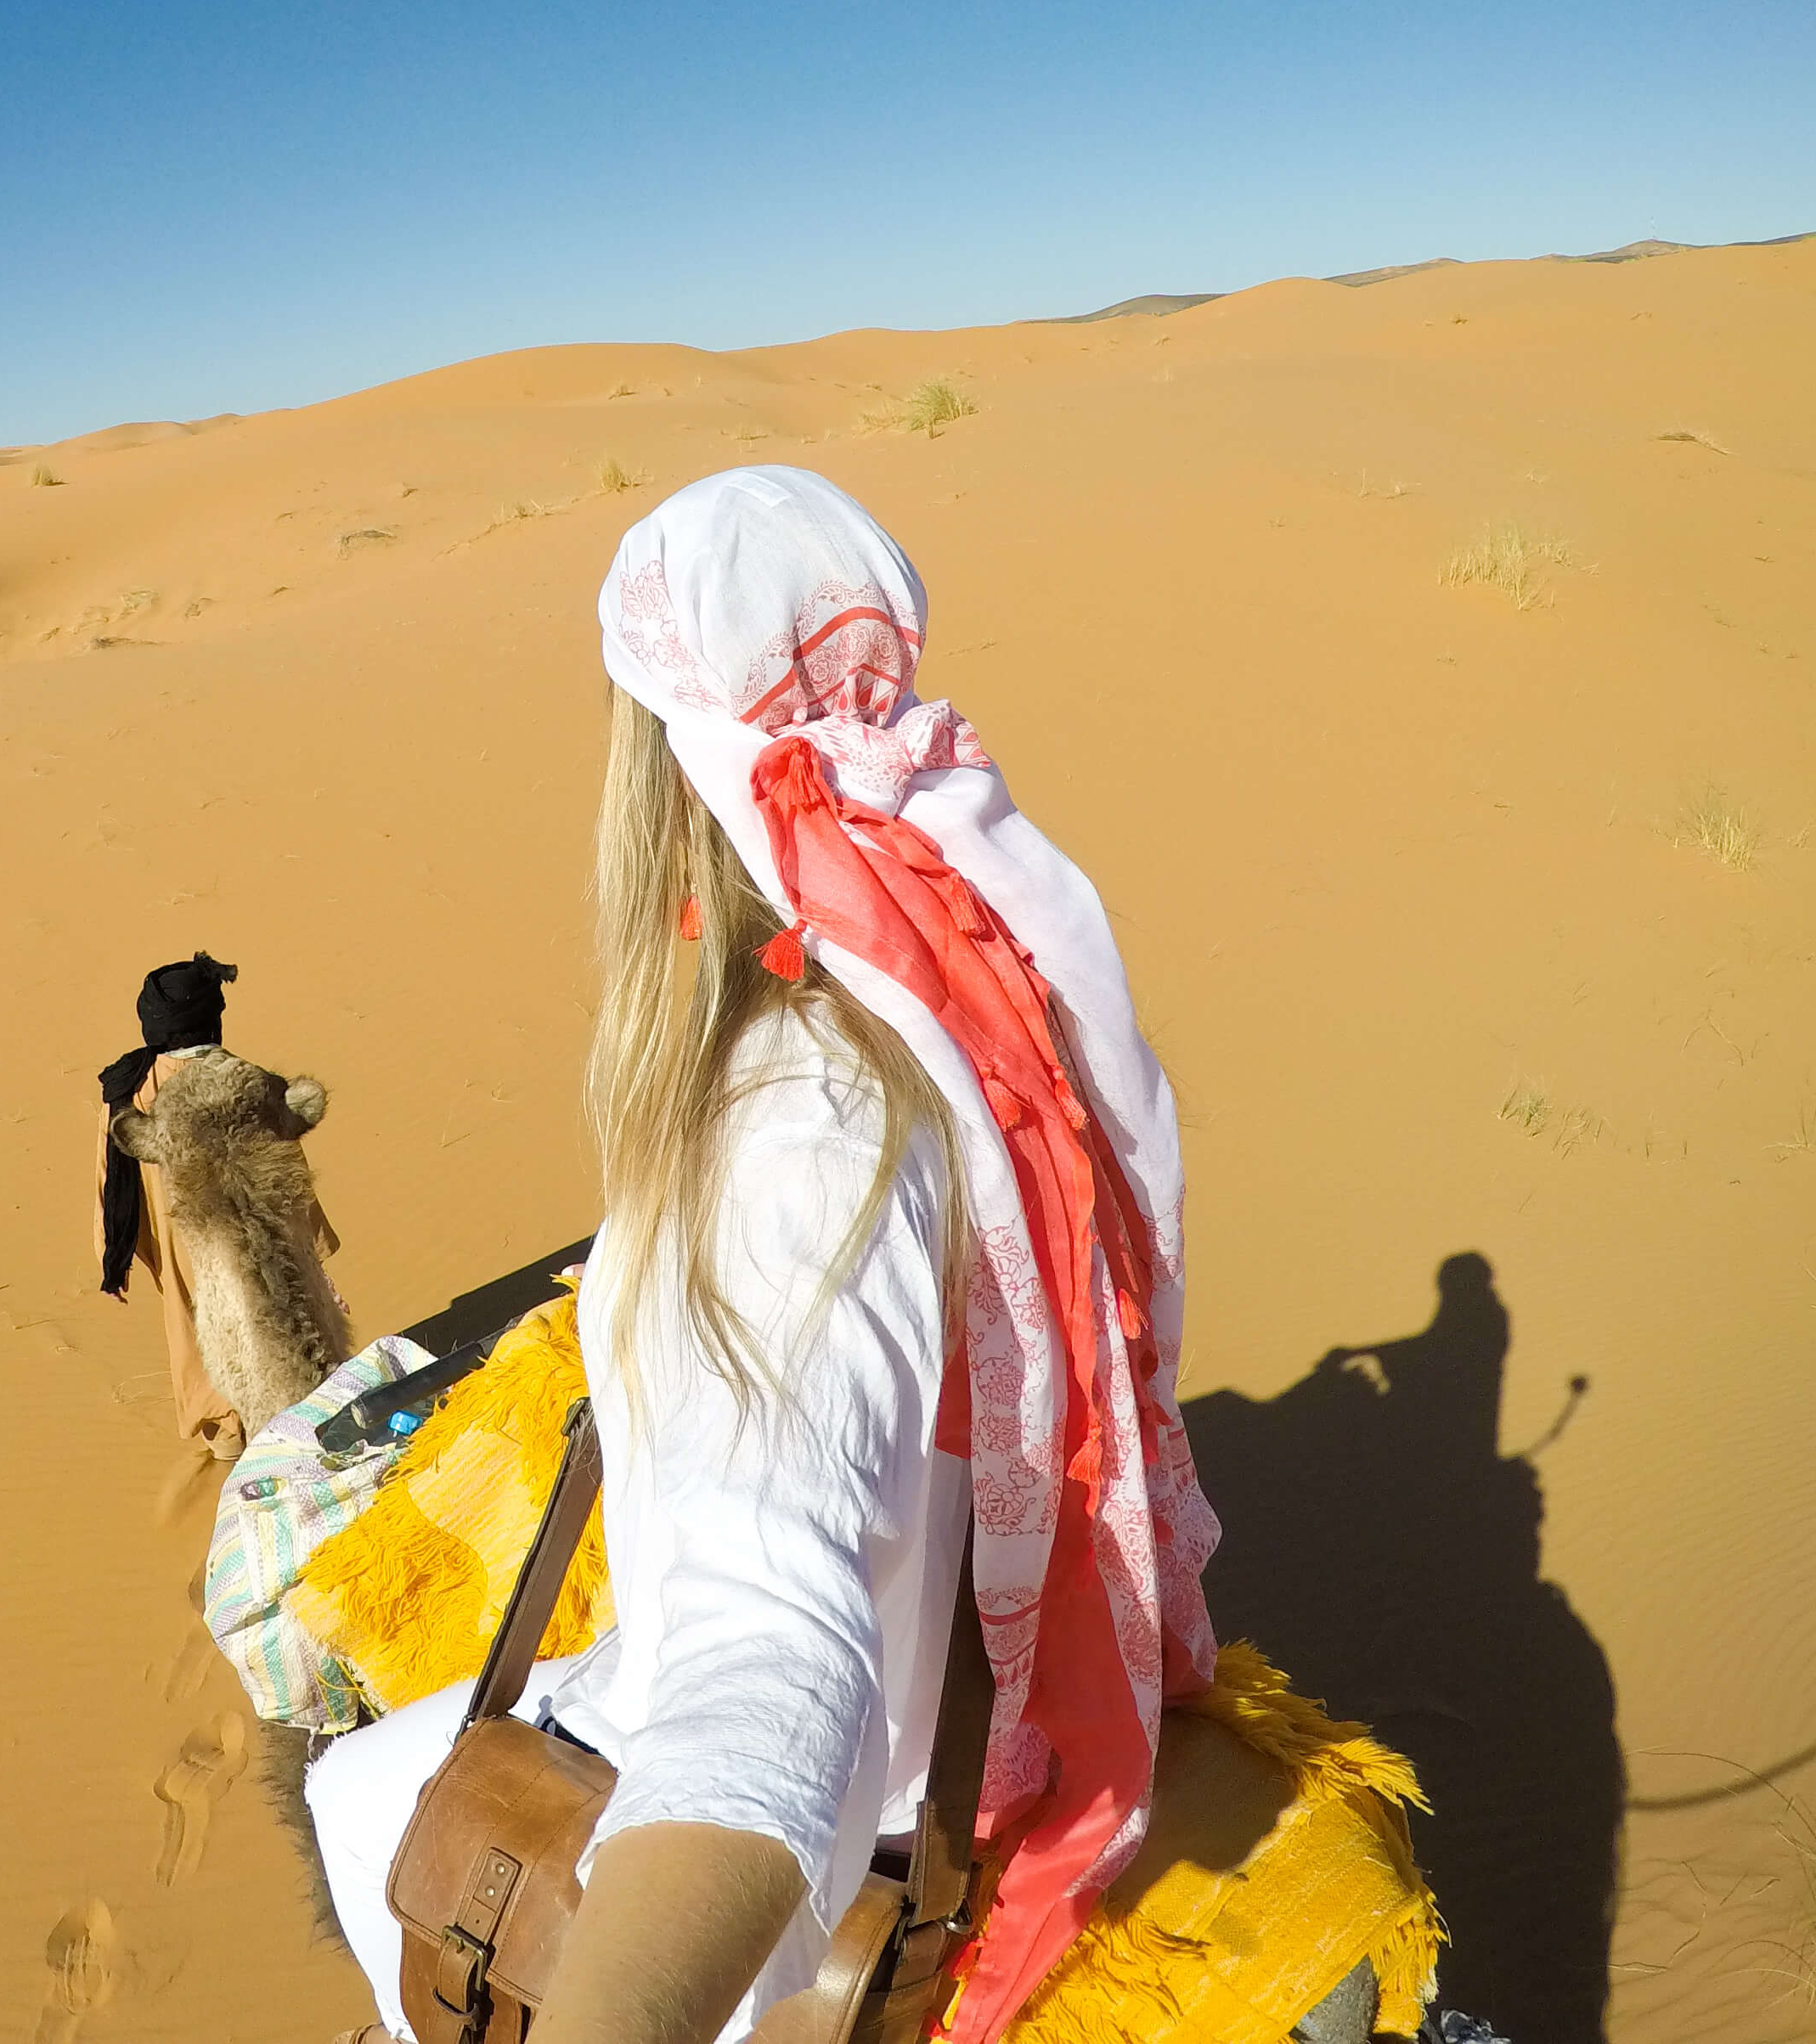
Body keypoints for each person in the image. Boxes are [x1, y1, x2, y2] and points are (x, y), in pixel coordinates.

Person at [305, 468, 1219, 2044]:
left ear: (669, 765)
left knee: (356, 1790)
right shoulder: (960, 1002)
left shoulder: (795, 1118)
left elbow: (767, 1657)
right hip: (925, 1723)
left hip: (806, 1866)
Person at [95, 950, 341, 1458]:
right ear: (214, 1018)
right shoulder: (248, 1080)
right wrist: (310, 1229)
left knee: (192, 1321)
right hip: (248, 1223)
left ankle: (226, 1429)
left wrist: (113, 1254)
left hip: (180, 1231)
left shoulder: (128, 1091)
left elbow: (109, 1177)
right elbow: (288, 1159)